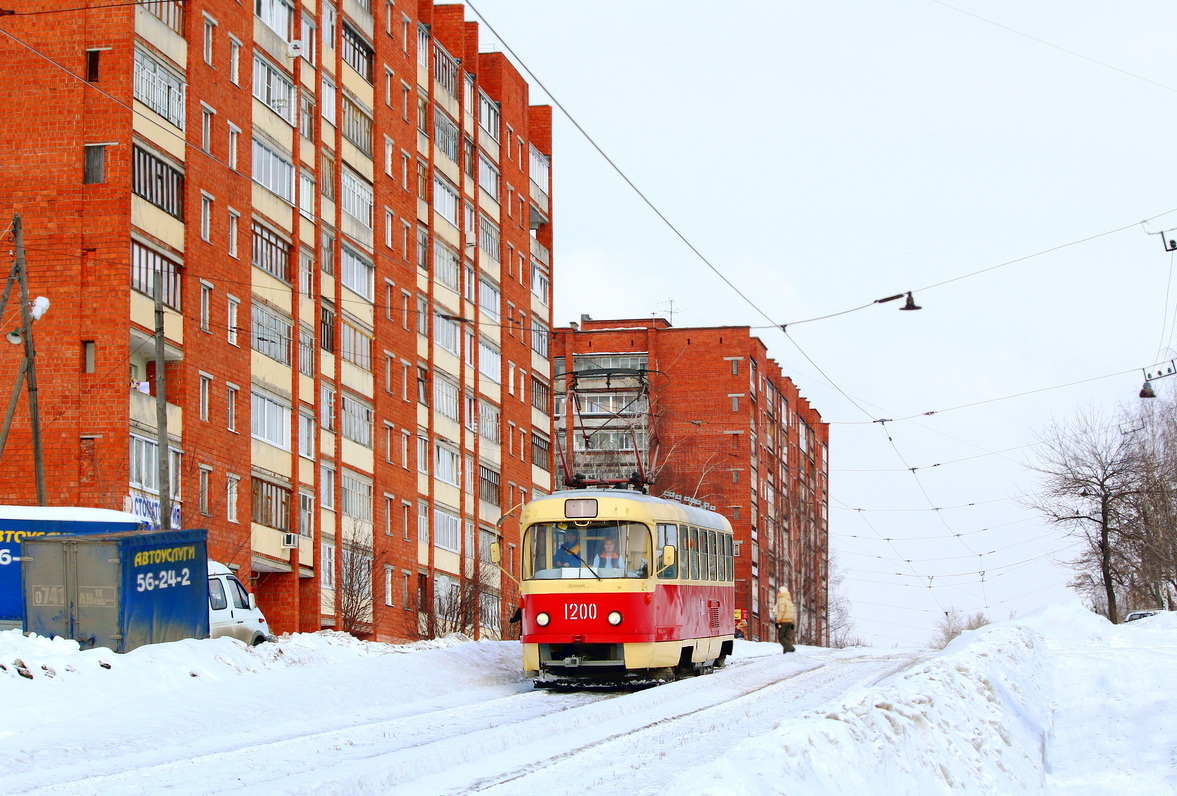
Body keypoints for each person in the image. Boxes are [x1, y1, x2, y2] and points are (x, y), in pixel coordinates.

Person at [769, 585, 796, 653]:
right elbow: (792, 613)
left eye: (779, 591)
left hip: (783, 621)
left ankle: (791, 648)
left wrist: (777, 621)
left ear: (781, 592)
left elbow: (781, 611)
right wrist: (792, 622)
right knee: (787, 637)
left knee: (781, 637)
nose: (778, 593)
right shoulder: (789, 601)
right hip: (789, 622)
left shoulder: (782, 600)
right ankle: (786, 652)